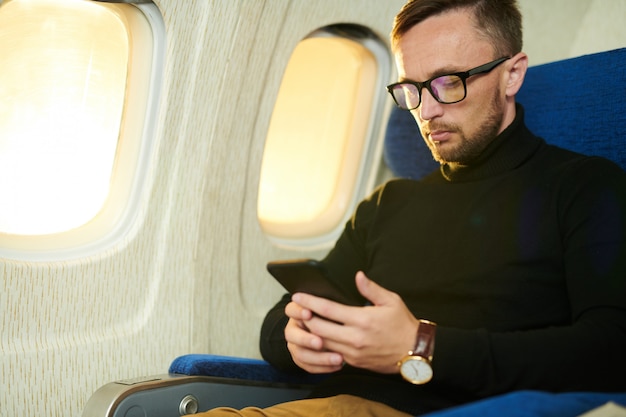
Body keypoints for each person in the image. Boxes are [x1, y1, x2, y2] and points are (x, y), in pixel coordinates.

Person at [202, 0, 626, 415]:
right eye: (412, 89)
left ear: (511, 74)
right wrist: (296, 337)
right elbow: (285, 316)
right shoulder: (388, 204)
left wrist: (421, 345)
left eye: (448, 82)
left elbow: (610, 347)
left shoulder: (584, 188)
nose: (427, 110)